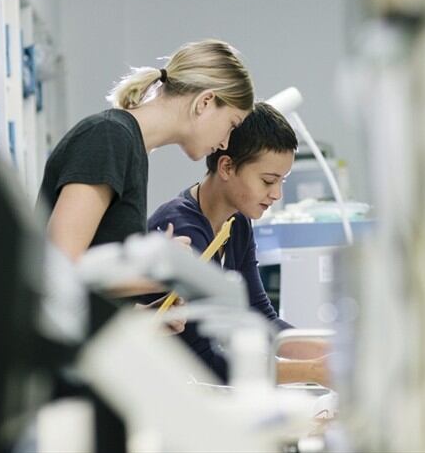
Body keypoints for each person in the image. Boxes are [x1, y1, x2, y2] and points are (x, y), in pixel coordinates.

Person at [148, 102, 330, 385]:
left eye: (282, 181)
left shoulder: (237, 223)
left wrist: (331, 352)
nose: (277, 194)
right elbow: (200, 361)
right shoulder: (183, 229)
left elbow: (260, 316)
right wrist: (312, 372)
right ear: (227, 166)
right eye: (268, 181)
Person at [37, 39, 253, 265]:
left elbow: (95, 282)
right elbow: (59, 265)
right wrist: (147, 266)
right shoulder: (109, 137)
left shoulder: (133, 149)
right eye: (232, 125)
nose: (225, 143)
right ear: (205, 102)